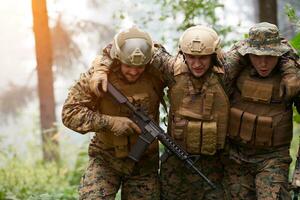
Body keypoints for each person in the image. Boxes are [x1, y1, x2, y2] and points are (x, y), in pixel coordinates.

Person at [89, 25, 230, 199]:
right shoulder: (172, 69)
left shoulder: (226, 73)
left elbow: (255, 54)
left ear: (214, 55)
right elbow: (129, 43)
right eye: (191, 57)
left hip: (213, 164)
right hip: (174, 167)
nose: (197, 63)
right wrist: (101, 68)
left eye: (203, 58)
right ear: (183, 54)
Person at [61, 26, 166, 200]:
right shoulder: (97, 78)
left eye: (139, 66)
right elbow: (70, 113)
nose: (134, 71)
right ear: (118, 59)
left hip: (144, 164)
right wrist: (109, 122)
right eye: (128, 65)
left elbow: (183, 64)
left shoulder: (157, 73)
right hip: (106, 158)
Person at [223, 22, 300, 200]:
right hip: (236, 157)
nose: (263, 63)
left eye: (270, 56)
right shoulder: (235, 71)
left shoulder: (291, 79)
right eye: (257, 56)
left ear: (279, 54)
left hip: (272, 158)